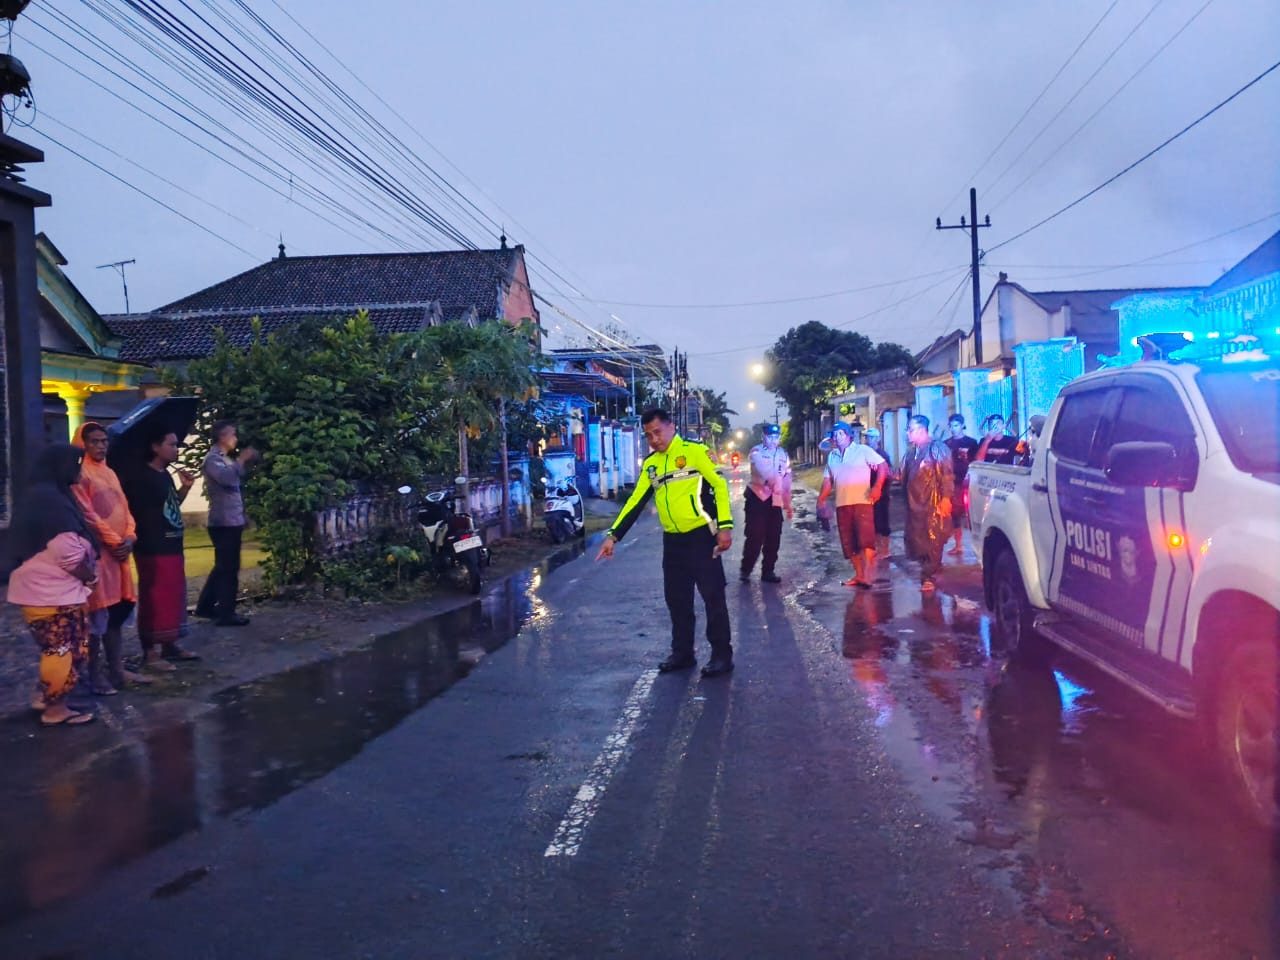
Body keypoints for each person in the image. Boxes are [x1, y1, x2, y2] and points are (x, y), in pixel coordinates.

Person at [595, 409, 736, 678]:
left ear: (671, 427)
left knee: (713, 597)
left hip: (701, 538)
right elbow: (635, 502)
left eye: (657, 432)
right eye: (648, 435)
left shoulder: (695, 451)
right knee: (677, 600)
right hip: (673, 542)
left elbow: (719, 485)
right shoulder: (652, 464)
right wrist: (613, 536)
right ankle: (683, 653)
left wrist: (725, 527)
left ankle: (721, 655)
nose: (654, 439)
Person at [6, 444, 99, 725]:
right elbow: (67, 553)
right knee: (61, 651)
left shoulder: (47, 495)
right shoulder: (51, 503)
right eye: (76, 463)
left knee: (56, 649)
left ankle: (45, 696)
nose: (79, 469)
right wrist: (89, 576)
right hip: (51, 593)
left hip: (47, 591)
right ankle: (55, 710)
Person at [72, 422, 151, 693]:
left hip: (119, 555)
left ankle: (117, 670)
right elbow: (87, 515)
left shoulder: (109, 472)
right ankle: (95, 675)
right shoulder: (79, 474)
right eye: (94, 441)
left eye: (104, 441)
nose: (101, 446)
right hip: (98, 555)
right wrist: (115, 541)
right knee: (97, 616)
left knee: (117, 612)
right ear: (82, 443)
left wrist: (130, 537)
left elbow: (125, 509)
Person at [118, 428, 199, 672]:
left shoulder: (164, 475)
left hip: (172, 542)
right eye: (171, 444)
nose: (176, 449)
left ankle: (169, 644)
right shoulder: (140, 477)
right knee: (155, 596)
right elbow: (135, 513)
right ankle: (150, 650)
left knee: (174, 595)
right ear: (155, 447)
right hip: (152, 545)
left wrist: (184, 488)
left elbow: (169, 507)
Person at [195, 419, 258, 626]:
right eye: (232, 434)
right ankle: (226, 613)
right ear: (222, 436)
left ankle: (205, 606)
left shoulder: (225, 459)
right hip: (223, 522)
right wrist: (241, 460)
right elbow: (228, 479)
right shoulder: (213, 459)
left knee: (223, 567)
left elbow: (235, 490)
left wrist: (243, 515)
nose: (235, 438)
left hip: (232, 519)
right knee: (229, 568)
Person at [816, 421, 886, 589]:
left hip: (862, 502)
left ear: (849, 435)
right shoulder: (832, 456)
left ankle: (868, 575)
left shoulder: (862, 450)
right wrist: (821, 499)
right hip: (842, 504)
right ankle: (859, 575)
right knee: (848, 543)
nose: (837, 437)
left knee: (865, 541)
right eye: (835, 434)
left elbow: (883, 467)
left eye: (841, 433)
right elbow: (828, 481)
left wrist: (877, 487)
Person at [901, 415, 955, 592]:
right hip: (915, 504)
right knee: (920, 540)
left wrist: (946, 499)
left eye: (910, 429)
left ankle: (929, 575)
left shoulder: (937, 448)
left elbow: (946, 475)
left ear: (921, 430)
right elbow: (903, 475)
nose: (907, 433)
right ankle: (929, 571)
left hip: (933, 502)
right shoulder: (911, 452)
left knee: (934, 538)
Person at [739, 422, 791, 584]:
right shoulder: (756, 452)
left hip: (774, 502)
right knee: (755, 536)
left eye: (776, 437)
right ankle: (746, 569)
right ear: (763, 437)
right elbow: (764, 470)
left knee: (774, 537)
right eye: (770, 437)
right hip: (757, 499)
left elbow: (787, 480)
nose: (773, 440)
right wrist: (773, 483)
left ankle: (768, 570)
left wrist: (788, 504)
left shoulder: (783, 455)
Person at [943, 414, 979, 556]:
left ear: (962, 425)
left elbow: (976, 461)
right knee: (955, 514)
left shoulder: (971, 442)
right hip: (953, 482)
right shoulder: (947, 444)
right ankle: (958, 545)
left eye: (956, 425)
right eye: (951, 426)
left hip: (968, 481)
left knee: (971, 512)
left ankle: (976, 544)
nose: (953, 428)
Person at [863, 426, 892, 557]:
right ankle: (876, 547)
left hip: (881, 494)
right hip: (867, 494)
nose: (868, 440)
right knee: (872, 522)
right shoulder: (865, 454)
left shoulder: (882, 455)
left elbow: (888, 474)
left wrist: (884, 490)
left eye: (871, 437)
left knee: (883, 522)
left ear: (877, 439)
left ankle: (885, 550)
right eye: (867, 437)